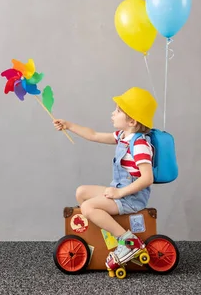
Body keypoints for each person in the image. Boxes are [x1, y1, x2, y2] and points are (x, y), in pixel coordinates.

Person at [53, 87, 157, 269]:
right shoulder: (123, 136)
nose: (113, 113)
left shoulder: (139, 145)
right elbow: (93, 135)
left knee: (87, 206)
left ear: (131, 120)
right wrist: (68, 125)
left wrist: (119, 193)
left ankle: (129, 242)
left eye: (117, 111)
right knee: (82, 192)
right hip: (120, 191)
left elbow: (147, 178)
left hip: (131, 198)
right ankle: (108, 237)